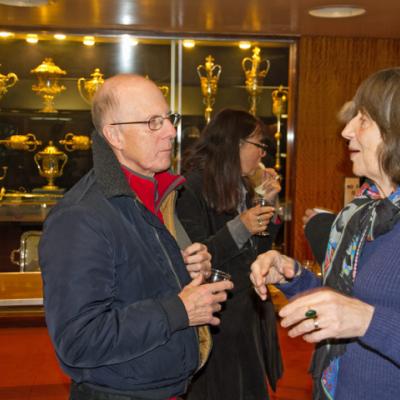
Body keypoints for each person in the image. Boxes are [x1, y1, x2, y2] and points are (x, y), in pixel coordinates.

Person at [39, 74, 234, 400]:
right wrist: (178, 309)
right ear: (114, 135)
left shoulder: (160, 195)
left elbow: (138, 280)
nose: (171, 132)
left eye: (169, 119)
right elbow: (78, 340)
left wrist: (187, 265)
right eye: (152, 123)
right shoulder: (80, 216)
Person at [250, 67, 400, 400]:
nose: (346, 131)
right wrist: (295, 278)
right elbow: (342, 309)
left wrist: (368, 322)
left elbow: (362, 317)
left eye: (363, 119)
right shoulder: (362, 214)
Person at [176, 108, 283, 400]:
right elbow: (194, 259)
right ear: (236, 143)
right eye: (259, 145)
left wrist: (265, 206)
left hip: (244, 317)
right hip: (215, 321)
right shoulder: (191, 187)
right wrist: (242, 225)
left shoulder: (240, 185)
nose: (263, 155)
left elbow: (258, 252)